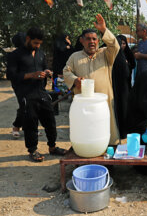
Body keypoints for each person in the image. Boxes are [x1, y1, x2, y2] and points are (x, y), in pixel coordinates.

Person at [6, 27, 67, 162]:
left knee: (50, 122)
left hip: (41, 92)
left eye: (39, 43)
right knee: (31, 124)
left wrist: (47, 71)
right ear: (28, 39)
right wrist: (31, 75)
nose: (37, 46)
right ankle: (32, 150)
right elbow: (10, 74)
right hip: (26, 95)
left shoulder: (40, 53)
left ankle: (52, 147)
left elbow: (44, 66)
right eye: (35, 43)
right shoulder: (15, 55)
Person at [63, 14, 120, 145]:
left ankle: (109, 155)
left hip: (104, 102)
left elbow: (115, 45)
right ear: (82, 41)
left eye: (94, 39)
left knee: (107, 128)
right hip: (84, 104)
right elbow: (66, 71)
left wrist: (104, 30)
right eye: (88, 39)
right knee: (87, 131)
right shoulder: (75, 57)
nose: (92, 42)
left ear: (98, 41)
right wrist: (75, 80)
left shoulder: (106, 54)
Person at [112, 35, 136, 139]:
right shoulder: (111, 55)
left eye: (124, 43)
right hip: (114, 86)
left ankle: (124, 131)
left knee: (124, 108)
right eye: (119, 43)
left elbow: (133, 65)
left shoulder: (127, 54)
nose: (122, 46)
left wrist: (127, 64)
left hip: (125, 86)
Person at [7, 32, 26, 138]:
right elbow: (10, 74)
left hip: (32, 85)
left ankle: (30, 128)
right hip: (19, 85)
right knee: (24, 105)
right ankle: (16, 126)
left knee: (33, 106)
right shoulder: (13, 56)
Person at [52, 33, 74, 115]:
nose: (69, 40)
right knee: (60, 90)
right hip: (61, 73)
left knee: (56, 92)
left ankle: (54, 110)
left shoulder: (58, 47)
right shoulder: (65, 49)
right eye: (67, 38)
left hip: (59, 72)